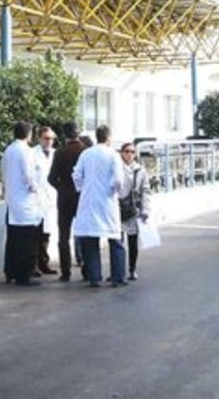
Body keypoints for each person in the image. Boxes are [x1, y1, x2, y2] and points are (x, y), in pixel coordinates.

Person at [72, 125, 128, 287]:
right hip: (107, 201)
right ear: (109, 138)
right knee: (115, 240)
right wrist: (113, 191)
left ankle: (94, 277)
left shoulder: (86, 154)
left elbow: (76, 175)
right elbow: (118, 179)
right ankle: (118, 276)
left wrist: (83, 189)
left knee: (90, 240)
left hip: (89, 201)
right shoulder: (113, 155)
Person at [1, 121, 44, 287]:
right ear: (29, 134)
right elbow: (29, 176)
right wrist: (36, 190)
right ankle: (23, 276)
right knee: (26, 241)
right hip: (25, 201)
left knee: (13, 239)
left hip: (12, 200)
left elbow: (4, 172)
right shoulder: (26, 151)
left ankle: (10, 272)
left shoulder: (9, 150)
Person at [48, 122, 86, 282]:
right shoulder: (85, 151)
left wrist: (61, 188)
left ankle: (65, 272)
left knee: (64, 236)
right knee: (85, 233)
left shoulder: (60, 152)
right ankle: (87, 268)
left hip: (64, 198)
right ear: (78, 133)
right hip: (82, 197)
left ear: (64, 135)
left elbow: (51, 178)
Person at [118, 142, 150, 281]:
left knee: (133, 242)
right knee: (117, 242)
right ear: (122, 153)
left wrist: (145, 209)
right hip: (118, 209)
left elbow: (145, 191)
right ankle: (117, 271)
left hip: (133, 210)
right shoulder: (116, 167)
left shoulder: (140, 170)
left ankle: (132, 269)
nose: (129, 154)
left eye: (132, 152)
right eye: (126, 151)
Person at [32, 126, 59, 276]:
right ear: (39, 138)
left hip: (50, 198)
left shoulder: (56, 154)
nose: (49, 141)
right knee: (35, 233)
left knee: (46, 233)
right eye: (46, 138)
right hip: (36, 198)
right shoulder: (32, 154)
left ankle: (44, 263)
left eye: (51, 139)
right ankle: (33, 265)